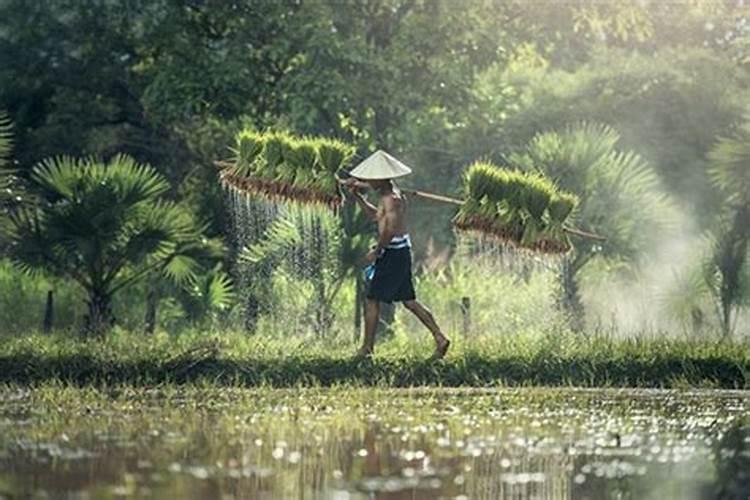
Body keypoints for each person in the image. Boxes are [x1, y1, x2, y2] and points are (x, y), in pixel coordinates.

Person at [339, 150, 450, 359]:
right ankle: (440, 338)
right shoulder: (388, 196)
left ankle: (367, 349)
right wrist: (359, 198)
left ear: (381, 178)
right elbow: (376, 217)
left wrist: (377, 251)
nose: (368, 180)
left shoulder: (392, 199)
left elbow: (389, 230)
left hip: (393, 253)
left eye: (372, 177)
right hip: (399, 252)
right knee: (409, 301)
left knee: (372, 300)